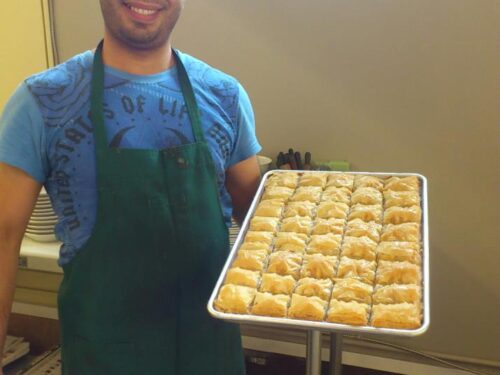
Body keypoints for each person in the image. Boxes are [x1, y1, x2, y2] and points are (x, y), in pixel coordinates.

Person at [0, 0, 261, 373]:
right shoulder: (42, 101)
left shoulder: (225, 96)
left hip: (209, 355)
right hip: (105, 355)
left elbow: (259, 222)